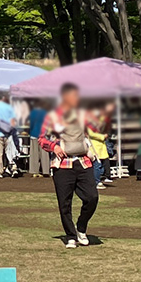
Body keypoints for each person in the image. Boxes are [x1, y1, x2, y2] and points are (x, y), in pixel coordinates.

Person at [41, 83, 99, 247]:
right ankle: (71, 235)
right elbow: (41, 138)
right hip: (63, 165)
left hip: (83, 162)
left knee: (92, 197)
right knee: (64, 203)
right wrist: (54, 147)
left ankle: (81, 227)